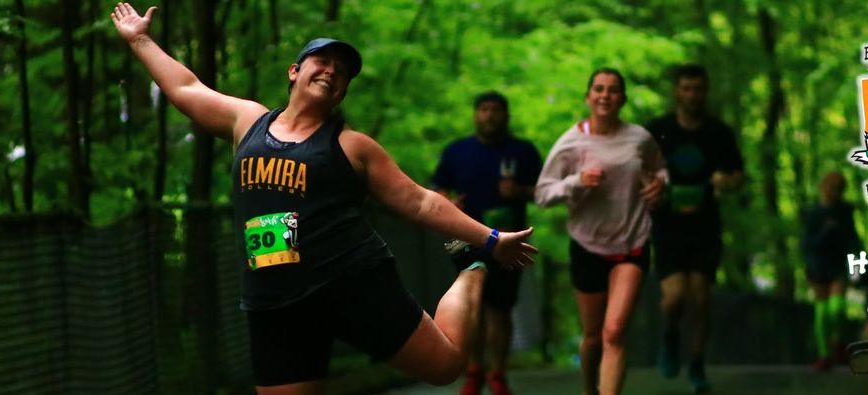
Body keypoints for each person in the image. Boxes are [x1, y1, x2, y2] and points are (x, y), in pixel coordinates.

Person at [111, 4, 537, 394]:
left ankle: (470, 269)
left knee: (444, 367)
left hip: (351, 282)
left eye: (342, 72)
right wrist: (139, 40)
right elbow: (186, 88)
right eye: (323, 62)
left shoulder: (353, 146)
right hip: (274, 297)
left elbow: (420, 202)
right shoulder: (247, 122)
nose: (332, 71)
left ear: (343, 93)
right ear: (294, 71)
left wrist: (490, 239)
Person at [536, 68, 667, 395]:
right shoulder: (571, 142)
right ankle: (588, 389)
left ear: (621, 98)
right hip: (588, 246)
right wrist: (577, 181)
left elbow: (660, 168)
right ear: (588, 97)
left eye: (612, 90)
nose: (605, 95)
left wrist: (660, 184)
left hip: (632, 243)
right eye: (599, 89)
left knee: (615, 332)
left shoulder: (640, 137)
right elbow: (542, 194)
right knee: (593, 336)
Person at [431, 91, 542, 395]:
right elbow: (434, 191)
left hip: (509, 239)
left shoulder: (524, 151)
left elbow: (542, 192)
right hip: (463, 238)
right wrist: (449, 203)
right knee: (472, 305)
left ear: (506, 115)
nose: (489, 115)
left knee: (501, 309)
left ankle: (498, 374)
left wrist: (519, 191)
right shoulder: (457, 151)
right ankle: (474, 369)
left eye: (496, 110)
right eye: (484, 109)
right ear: (475, 114)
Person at [644, 64, 743, 393]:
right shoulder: (658, 130)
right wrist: (651, 187)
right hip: (668, 225)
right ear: (677, 91)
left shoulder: (719, 133)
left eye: (698, 89)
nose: (692, 95)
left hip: (705, 226)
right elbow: (635, 170)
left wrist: (725, 181)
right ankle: (671, 334)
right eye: (686, 88)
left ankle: (698, 362)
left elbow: (738, 176)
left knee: (701, 296)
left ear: (706, 91)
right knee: (674, 298)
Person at [800, 172, 861, 372]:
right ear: (823, 188)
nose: (834, 192)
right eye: (832, 187)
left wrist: (860, 260)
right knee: (821, 311)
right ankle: (824, 355)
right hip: (817, 265)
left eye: (839, 189)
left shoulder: (845, 211)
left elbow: (853, 237)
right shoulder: (812, 213)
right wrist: (826, 232)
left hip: (838, 265)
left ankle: (837, 342)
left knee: (837, 308)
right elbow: (807, 245)